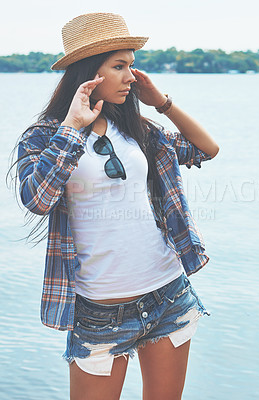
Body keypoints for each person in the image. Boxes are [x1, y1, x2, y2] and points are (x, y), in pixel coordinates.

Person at [13, 12, 219, 400]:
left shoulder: (138, 128)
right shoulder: (43, 138)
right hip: (99, 314)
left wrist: (163, 103)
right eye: (120, 66)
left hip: (167, 294)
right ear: (90, 73)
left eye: (132, 66)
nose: (131, 77)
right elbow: (37, 199)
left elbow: (208, 149)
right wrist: (73, 127)